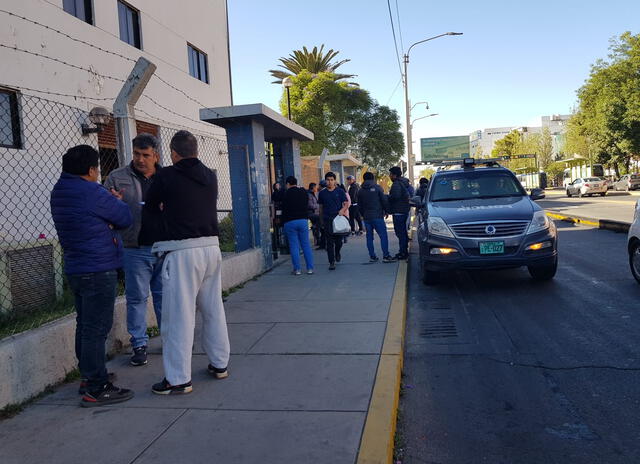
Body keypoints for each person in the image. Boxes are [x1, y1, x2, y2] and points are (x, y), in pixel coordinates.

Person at [145, 130, 230, 395]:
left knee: (178, 317)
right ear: (195, 150)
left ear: (173, 152)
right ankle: (219, 364)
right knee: (213, 309)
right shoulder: (210, 176)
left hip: (181, 251)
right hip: (211, 248)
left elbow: (150, 206)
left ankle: (178, 379)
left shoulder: (166, 175)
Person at [50, 145, 134, 407]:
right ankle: (97, 388)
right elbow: (124, 217)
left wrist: (105, 216)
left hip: (77, 267)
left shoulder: (60, 190)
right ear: (90, 170)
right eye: (97, 168)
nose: (99, 173)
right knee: (96, 330)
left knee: (85, 326)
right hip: (98, 268)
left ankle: (89, 377)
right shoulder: (91, 192)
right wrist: (115, 204)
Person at [104, 133, 164, 367]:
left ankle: (169, 338)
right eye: (137, 154)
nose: (140, 159)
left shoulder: (167, 177)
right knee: (137, 298)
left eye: (146, 155)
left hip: (164, 247)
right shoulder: (117, 177)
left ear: (155, 155)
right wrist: (114, 205)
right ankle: (139, 344)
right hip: (134, 248)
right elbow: (105, 210)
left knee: (164, 298)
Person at [357, 172, 395, 263]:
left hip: (366, 217)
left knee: (369, 237)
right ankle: (386, 256)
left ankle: (372, 256)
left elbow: (359, 205)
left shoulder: (360, 191)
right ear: (373, 178)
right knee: (383, 236)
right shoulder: (378, 188)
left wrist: (363, 214)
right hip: (377, 216)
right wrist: (387, 211)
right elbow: (384, 201)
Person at [282, 176, 315, 275]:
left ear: (288, 184)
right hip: (303, 220)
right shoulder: (303, 192)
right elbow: (307, 204)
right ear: (296, 183)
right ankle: (310, 268)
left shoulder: (286, 193)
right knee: (306, 245)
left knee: (294, 246)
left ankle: (297, 269)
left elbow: (284, 207)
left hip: (290, 221)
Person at [318, 171, 349, 270]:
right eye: (328, 180)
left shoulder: (340, 191)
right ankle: (331, 262)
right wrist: (321, 220)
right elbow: (321, 208)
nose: (330, 182)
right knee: (329, 242)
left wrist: (342, 210)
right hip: (327, 220)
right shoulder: (322, 193)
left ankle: (337, 252)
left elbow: (346, 204)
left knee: (339, 242)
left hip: (338, 219)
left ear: (335, 181)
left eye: (332, 180)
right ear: (325, 181)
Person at [389, 166, 411, 260]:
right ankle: (404, 251)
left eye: (390, 174)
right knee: (403, 233)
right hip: (404, 210)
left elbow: (395, 197)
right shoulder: (403, 183)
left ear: (394, 175)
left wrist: (388, 197)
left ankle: (403, 252)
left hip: (398, 211)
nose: (389, 176)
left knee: (400, 233)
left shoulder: (396, 184)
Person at [307, 182, 321, 247]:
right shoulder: (309, 195)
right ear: (312, 188)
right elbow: (310, 205)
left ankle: (317, 239)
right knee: (319, 221)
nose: (316, 188)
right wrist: (318, 206)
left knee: (316, 226)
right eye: (315, 187)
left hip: (314, 213)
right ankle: (317, 239)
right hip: (311, 213)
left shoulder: (314, 194)